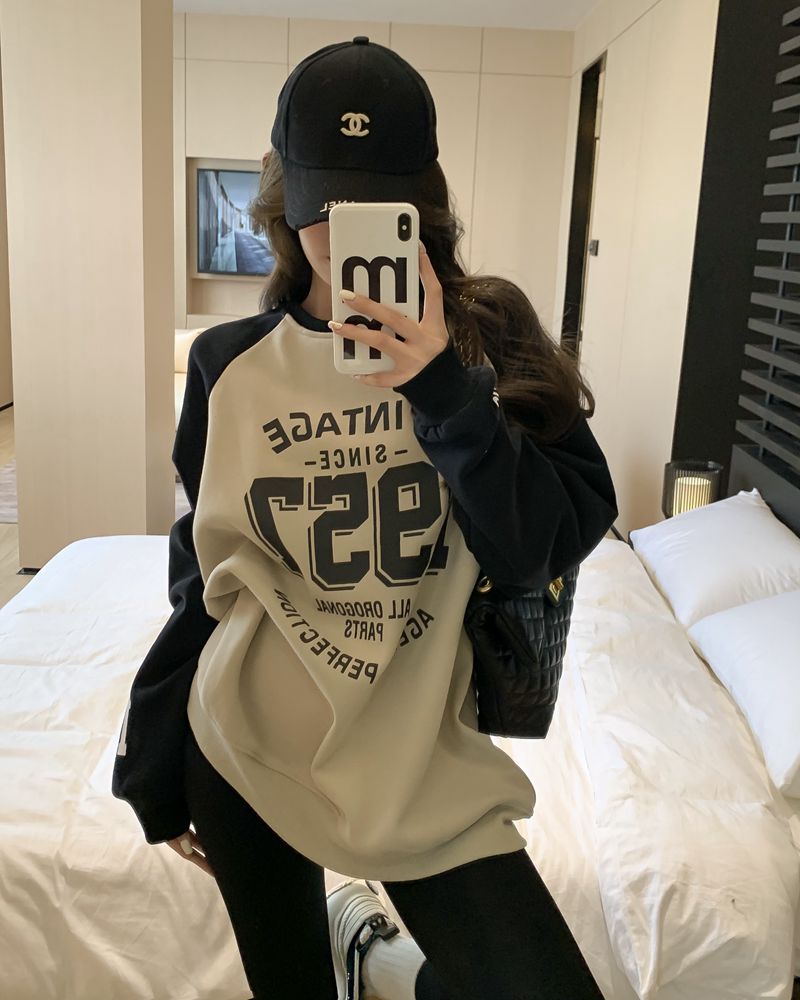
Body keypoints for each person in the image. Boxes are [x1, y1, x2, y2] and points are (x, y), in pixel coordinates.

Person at [111, 35, 617, 1000]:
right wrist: (152, 757)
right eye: (324, 207)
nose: (344, 236)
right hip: (247, 751)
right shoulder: (227, 363)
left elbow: (543, 545)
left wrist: (445, 392)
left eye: (375, 207)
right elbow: (205, 579)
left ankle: (378, 961)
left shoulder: (487, 336)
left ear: (419, 206)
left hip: (419, 763)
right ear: (284, 200)